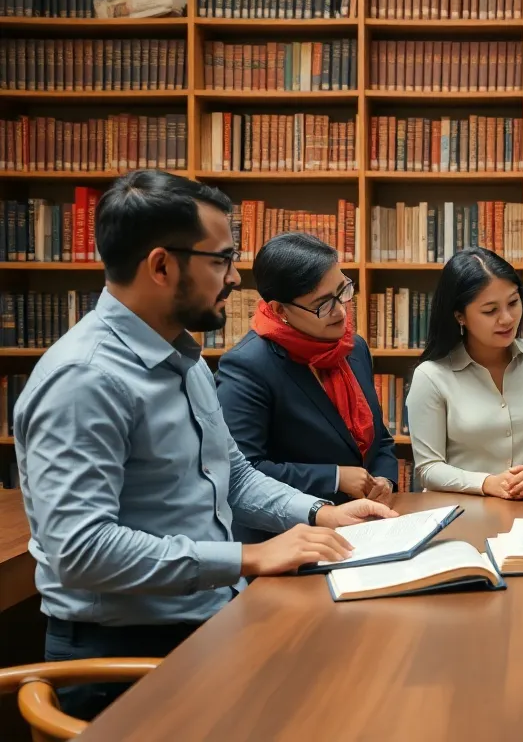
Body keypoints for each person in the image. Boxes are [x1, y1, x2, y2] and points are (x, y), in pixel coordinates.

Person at [12, 170, 394, 721]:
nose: (236, 278)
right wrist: (248, 556)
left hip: (205, 624)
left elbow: (232, 474)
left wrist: (319, 512)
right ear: (161, 266)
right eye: (221, 260)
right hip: (122, 657)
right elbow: (82, 550)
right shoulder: (85, 380)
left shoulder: (181, 358)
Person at [216, 233, 398, 544]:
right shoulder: (247, 367)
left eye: (342, 291)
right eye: (322, 304)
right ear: (280, 310)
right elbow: (244, 471)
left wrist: (384, 479)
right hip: (286, 540)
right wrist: (336, 477)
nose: (340, 311)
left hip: (364, 526)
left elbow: (379, 437)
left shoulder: (353, 348)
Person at [406, 248, 523, 499]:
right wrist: (487, 483)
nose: (507, 318)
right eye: (490, 310)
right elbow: (428, 468)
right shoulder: (431, 376)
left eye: (513, 302)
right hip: (461, 508)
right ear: (460, 316)